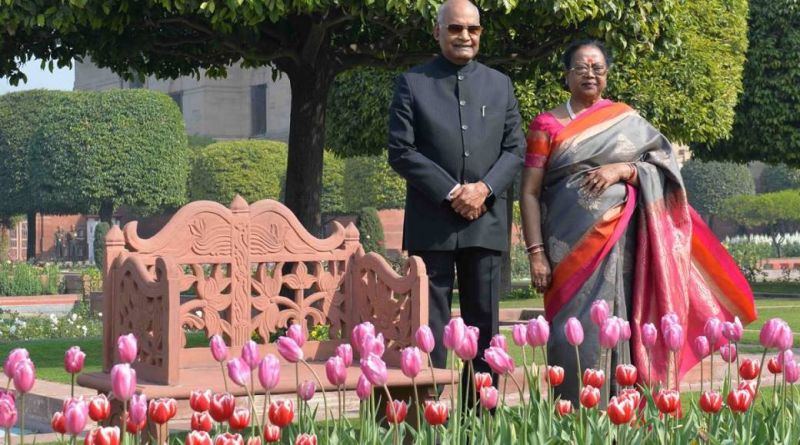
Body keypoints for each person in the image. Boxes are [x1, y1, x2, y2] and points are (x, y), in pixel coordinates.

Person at [519, 39, 757, 403]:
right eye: (581, 67)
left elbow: (664, 166)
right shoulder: (546, 124)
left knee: (626, 327)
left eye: (598, 68)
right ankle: (574, 420)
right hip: (566, 253)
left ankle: (626, 415)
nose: (590, 74)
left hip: (626, 250)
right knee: (571, 337)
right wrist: (536, 252)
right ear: (566, 75)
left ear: (607, 76)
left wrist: (624, 169)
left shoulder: (625, 120)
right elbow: (530, 192)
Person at [388, 0, 525, 393]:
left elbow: (515, 149)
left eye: (473, 29)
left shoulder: (500, 84)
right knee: (430, 326)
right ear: (437, 32)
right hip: (432, 225)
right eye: (455, 28)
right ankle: (429, 413)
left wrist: (483, 189)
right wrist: (452, 192)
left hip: (486, 223)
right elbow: (401, 151)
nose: (465, 36)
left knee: (484, 326)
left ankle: (478, 418)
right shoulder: (413, 83)